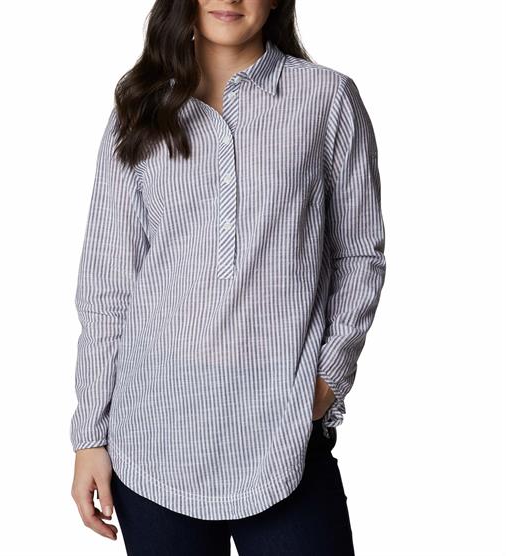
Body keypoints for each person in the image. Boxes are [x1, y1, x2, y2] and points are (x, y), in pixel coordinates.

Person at [69, 1, 386, 554]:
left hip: (284, 435)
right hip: (153, 437)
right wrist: (90, 435)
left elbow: (360, 255)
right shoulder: (140, 109)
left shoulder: (327, 98)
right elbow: (107, 288)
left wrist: (327, 380)